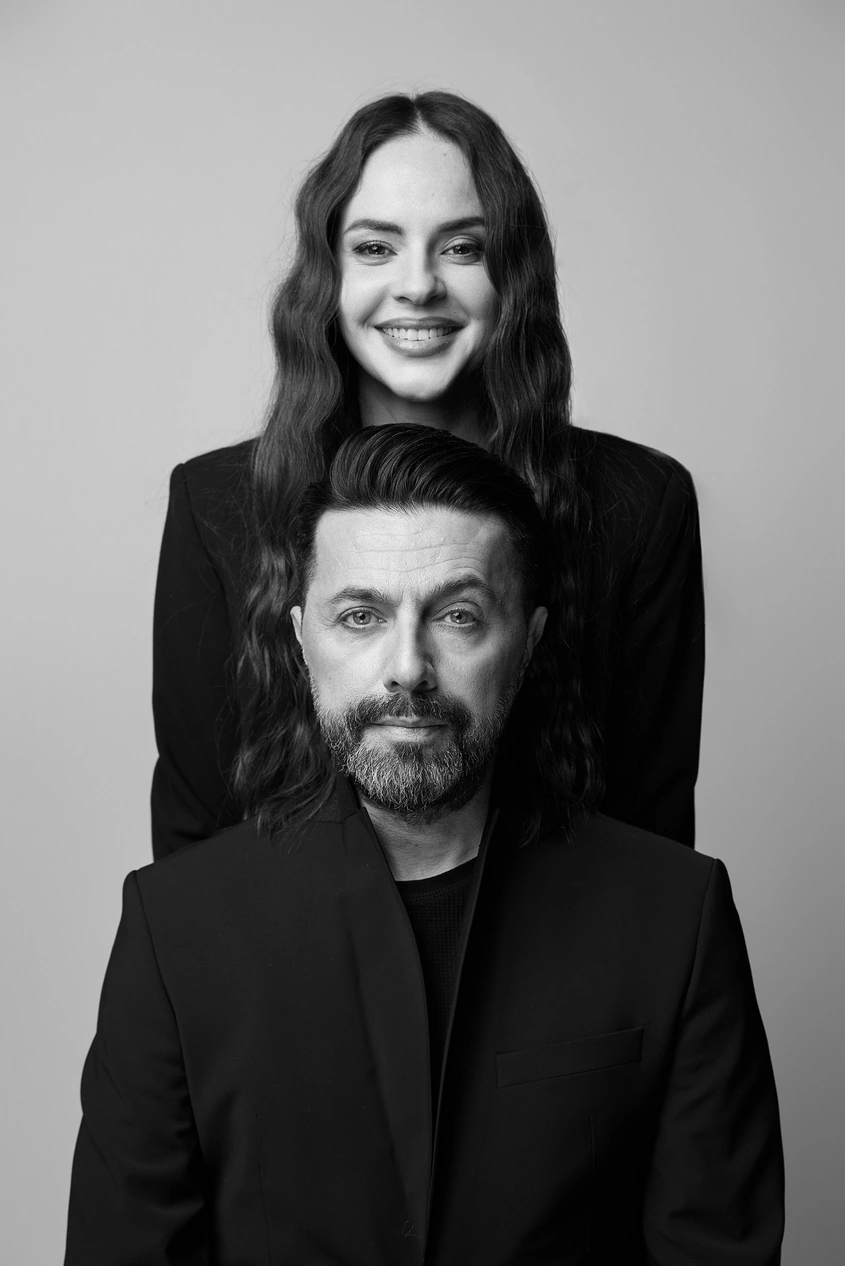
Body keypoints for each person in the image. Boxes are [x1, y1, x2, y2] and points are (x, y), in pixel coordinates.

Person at [68, 427, 782, 1265]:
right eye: (360, 616)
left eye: (457, 616)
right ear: (300, 640)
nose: (407, 667)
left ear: (529, 641)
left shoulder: (674, 917)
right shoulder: (174, 928)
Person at [151, 90, 705, 860]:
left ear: (513, 276)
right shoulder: (217, 504)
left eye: (462, 248)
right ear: (327, 276)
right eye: (376, 248)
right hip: (282, 936)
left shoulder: (636, 504)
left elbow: (653, 851)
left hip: (563, 938)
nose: (418, 285)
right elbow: (194, 846)